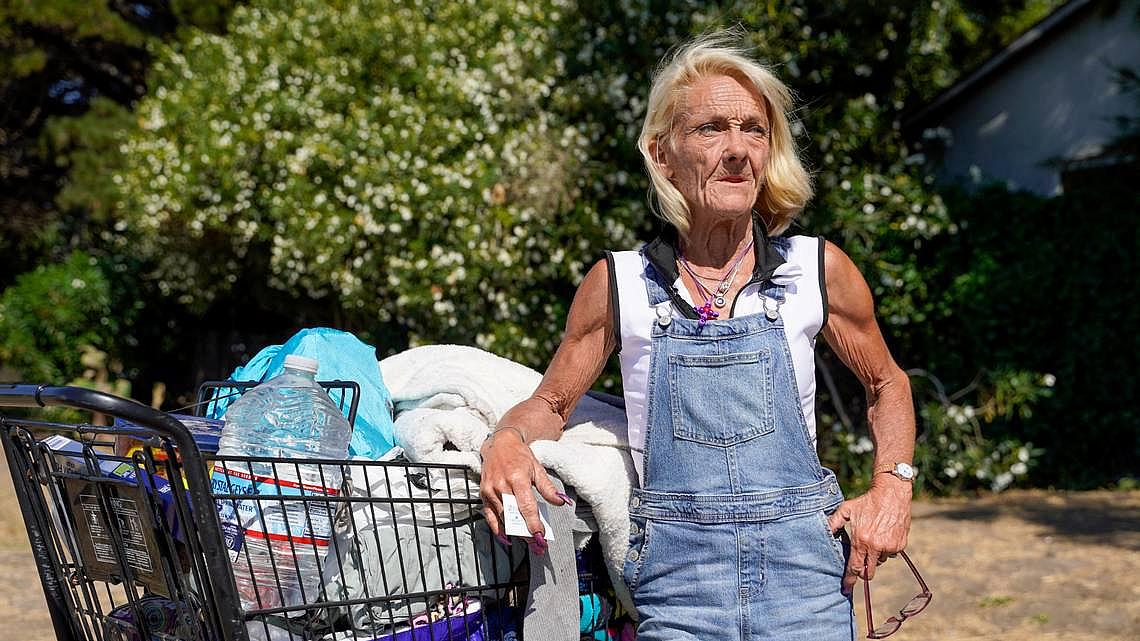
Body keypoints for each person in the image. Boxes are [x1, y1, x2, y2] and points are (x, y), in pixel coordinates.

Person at [479, 31, 914, 640]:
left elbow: (886, 382)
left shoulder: (815, 268)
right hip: (678, 585)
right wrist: (505, 440)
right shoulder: (619, 283)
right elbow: (551, 404)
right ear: (663, 155)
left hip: (806, 581)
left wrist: (892, 486)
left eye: (754, 130)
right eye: (711, 129)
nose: (737, 149)